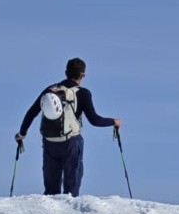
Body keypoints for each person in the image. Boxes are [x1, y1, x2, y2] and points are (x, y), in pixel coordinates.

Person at [16, 57, 121, 197]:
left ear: (66, 72)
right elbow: (95, 120)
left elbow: (31, 112)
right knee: (71, 193)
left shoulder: (50, 90)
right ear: (82, 75)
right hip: (71, 143)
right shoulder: (82, 93)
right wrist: (114, 122)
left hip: (50, 143)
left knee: (51, 193)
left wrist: (22, 134)